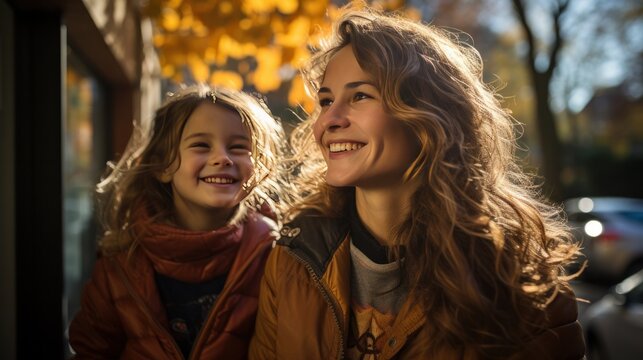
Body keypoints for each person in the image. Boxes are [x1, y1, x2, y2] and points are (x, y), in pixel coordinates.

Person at [250, 7, 585, 360]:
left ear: (428, 116)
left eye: (360, 95)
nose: (329, 120)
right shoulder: (292, 260)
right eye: (326, 101)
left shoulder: (518, 278)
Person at [69, 85, 291, 359]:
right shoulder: (120, 264)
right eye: (200, 145)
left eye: (238, 147)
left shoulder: (275, 257)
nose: (222, 157)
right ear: (163, 165)